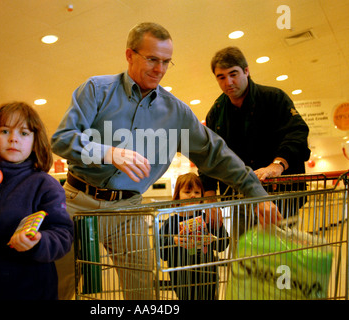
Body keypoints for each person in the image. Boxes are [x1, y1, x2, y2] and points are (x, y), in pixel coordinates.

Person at [51, 22, 280, 300]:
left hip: (129, 211)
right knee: (59, 286)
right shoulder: (97, 90)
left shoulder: (176, 113)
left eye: (166, 62)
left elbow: (216, 154)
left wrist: (257, 193)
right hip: (77, 203)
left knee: (144, 293)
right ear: (129, 55)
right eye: (152, 59)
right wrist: (107, 152)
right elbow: (62, 139)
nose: (159, 69)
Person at [0, 102, 74, 300]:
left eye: (24, 133)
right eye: (5, 131)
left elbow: (63, 234)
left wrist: (39, 241)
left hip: (32, 287)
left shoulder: (44, 185)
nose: (13, 139)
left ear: (34, 141)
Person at [199, 46, 311, 237]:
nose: (229, 82)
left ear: (246, 71)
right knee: (244, 257)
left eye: (233, 74)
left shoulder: (274, 99)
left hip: (281, 194)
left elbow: (297, 132)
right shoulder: (216, 113)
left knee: (279, 255)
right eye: (221, 77)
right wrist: (210, 198)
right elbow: (208, 155)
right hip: (241, 198)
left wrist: (278, 164)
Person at [159, 173, 229, 300]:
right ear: (177, 196)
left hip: (207, 276)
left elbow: (222, 245)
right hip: (180, 277)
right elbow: (161, 252)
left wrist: (217, 228)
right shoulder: (170, 223)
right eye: (187, 191)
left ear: (202, 196)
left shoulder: (207, 219)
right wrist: (173, 240)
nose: (193, 195)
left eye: (197, 192)